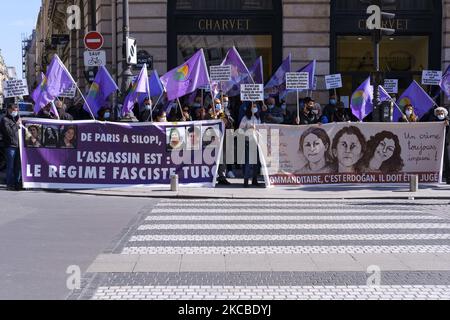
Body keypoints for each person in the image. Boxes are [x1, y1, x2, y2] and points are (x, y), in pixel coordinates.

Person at [423, 106, 450, 184]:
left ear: (444, 113)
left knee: (447, 161)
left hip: (446, 144)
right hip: (434, 144)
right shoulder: (433, 121)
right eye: (438, 112)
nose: (440, 114)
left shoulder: (448, 120)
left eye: (442, 112)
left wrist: (447, 122)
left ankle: (448, 178)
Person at [239, 103, 263, 188]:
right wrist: (248, 129)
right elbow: (240, 130)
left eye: (256, 106)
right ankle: (246, 180)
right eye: (253, 106)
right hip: (248, 141)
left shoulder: (258, 117)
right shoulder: (245, 118)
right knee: (248, 162)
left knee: (256, 162)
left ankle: (254, 179)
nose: (255, 108)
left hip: (256, 142)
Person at [0, 104, 22, 190]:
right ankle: (9, 184)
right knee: (10, 166)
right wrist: (16, 125)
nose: (15, 111)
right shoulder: (5, 119)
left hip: (18, 146)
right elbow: (9, 133)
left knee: (18, 166)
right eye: (13, 109)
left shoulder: (16, 118)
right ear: (9, 109)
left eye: (16, 109)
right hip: (10, 146)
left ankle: (17, 183)